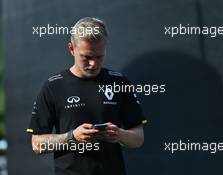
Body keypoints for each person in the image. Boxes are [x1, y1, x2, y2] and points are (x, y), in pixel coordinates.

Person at [26, 17, 147, 175]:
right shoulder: (53, 86)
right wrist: (72, 137)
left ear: (105, 48)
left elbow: (138, 139)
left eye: (99, 56)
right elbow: (37, 144)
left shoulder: (119, 82)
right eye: (87, 57)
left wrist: (119, 134)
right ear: (72, 49)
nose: (93, 64)